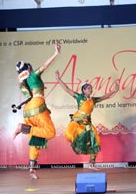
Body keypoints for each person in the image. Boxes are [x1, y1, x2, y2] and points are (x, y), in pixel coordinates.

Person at [13, 43, 61, 179]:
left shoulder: (22, 83)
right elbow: (45, 66)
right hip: (37, 106)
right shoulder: (33, 76)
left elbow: (28, 97)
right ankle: (22, 128)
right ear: (29, 68)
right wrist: (56, 53)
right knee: (51, 132)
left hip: (28, 110)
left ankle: (32, 167)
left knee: (35, 139)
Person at [55, 70, 119, 169]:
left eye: (91, 88)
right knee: (72, 135)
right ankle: (76, 143)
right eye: (88, 88)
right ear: (83, 90)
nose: (90, 89)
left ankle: (91, 163)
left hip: (87, 123)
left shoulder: (93, 100)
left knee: (95, 140)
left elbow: (105, 96)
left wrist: (115, 90)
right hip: (77, 121)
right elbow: (67, 89)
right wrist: (58, 79)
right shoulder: (79, 97)